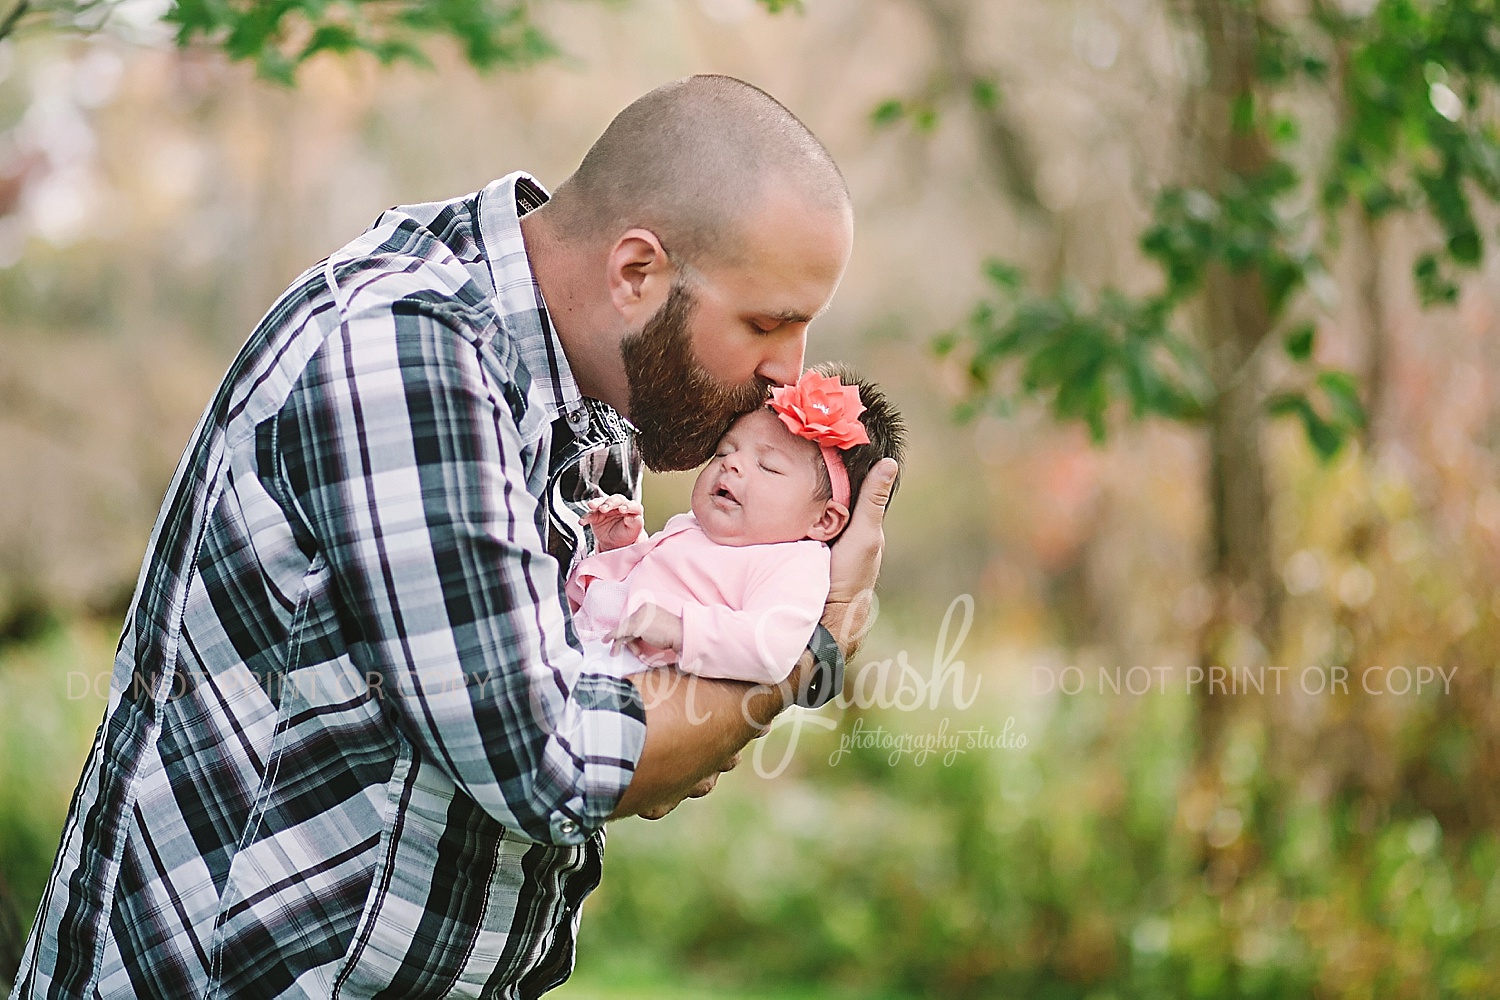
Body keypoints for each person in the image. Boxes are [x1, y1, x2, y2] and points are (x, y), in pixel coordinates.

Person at [10, 75, 897, 999]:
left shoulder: (593, 412)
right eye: (768, 323)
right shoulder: (407, 350)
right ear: (637, 274)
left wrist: (671, 716)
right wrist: (810, 643)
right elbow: (553, 758)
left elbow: (632, 718)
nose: (785, 377)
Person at [568, 366, 906, 686]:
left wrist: (682, 630)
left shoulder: (794, 563)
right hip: (581, 649)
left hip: (634, 681)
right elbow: (662, 580)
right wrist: (625, 548)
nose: (732, 464)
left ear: (824, 519)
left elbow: (775, 647)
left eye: (768, 466)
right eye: (724, 451)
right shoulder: (700, 529)